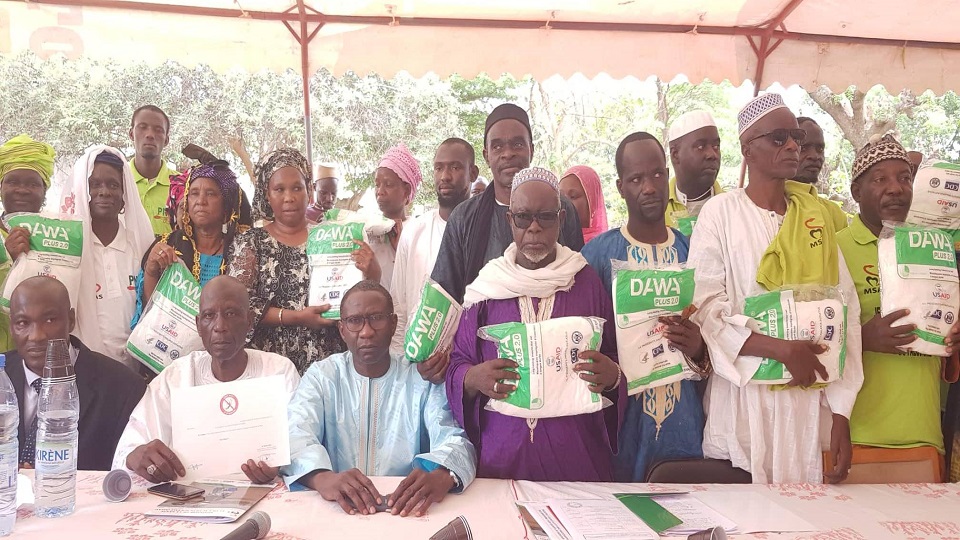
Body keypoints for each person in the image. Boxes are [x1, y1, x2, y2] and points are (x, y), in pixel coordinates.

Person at [687, 93, 864, 484]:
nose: (792, 147)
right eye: (778, 138)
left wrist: (841, 413)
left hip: (805, 403)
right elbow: (705, 309)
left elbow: (845, 311)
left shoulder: (814, 218)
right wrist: (781, 350)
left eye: (796, 137)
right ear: (748, 149)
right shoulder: (721, 214)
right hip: (743, 405)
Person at [447, 167, 622, 481]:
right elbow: (458, 363)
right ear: (509, 220)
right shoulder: (487, 286)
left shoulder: (585, 281)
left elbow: (614, 358)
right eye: (523, 217)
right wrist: (473, 377)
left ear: (562, 220)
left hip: (578, 460)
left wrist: (612, 376)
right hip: (502, 462)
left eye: (546, 217)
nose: (535, 228)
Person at [282, 281, 477, 517]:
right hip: (338, 509)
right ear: (342, 330)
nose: (366, 331)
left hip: (405, 508)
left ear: (394, 324)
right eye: (355, 321)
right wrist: (323, 478)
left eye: (377, 318)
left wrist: (442, 475)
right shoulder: (323, 376)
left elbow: (455, 439)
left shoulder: (420, 377)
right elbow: (295, 433)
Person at [581, 132, 706, 481]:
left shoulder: (693, 251)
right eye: (636, 179)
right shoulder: (597, 256)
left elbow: (715, 330)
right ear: (621, 187)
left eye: (655, 175)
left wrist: (698, 345)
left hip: (686, 418)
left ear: (667, 177)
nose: (648, 187)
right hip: (622, 422)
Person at [113, 276, 300, 483]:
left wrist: (280, 465)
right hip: (187, 500)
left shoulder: (278, 372)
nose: (220, 326)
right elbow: (130, 448)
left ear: (249, 322)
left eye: (230, 314)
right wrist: (136, 456)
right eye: (209, 316)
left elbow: (302, 446)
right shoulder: (175, 378)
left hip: (267, 499)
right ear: (198, 325)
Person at [838, 135, 946, 475]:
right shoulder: (834, 249)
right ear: (857, 192)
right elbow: (813, 338)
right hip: (857, 435)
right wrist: (862, 338)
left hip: (924, 433)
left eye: (903, 177)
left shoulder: (933, 247)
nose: (896, 188)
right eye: (880, 178)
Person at [228, 148, 378, 374]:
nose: (289, 197)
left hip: (328, 364)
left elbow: (362, 296)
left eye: (297, 188)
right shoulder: (251, 243)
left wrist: (372, 271)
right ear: (267, 195)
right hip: (271, 367)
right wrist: (297, 317)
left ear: (309, 190)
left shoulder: (331, 237)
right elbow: (238, 306)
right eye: (279, 189)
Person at [431, 104, 584, 304]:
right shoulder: (464, 217)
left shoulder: (560, 208)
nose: (508, 153)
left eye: (518, 144)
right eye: (497, 146)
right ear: (487, 156)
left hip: (554, 330)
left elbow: (578, 279)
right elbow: (444, 295)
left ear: (532, 150)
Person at [7, 276, 146, 470]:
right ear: (11, 327)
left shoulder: (123, 388)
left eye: (49, 320)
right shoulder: (2, 375)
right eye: (22, 323)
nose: (36, 335)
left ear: (71, 320)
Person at [52, 146, 154, 369]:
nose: (104, 191)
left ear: (124, 195)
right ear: (82, 192)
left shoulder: (141, 247)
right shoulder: (68, 248)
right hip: (83, 370)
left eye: (113, 185)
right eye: (95, 184)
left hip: (135, 372)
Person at [390, 138, 476, 382]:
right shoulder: (415, 231)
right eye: (439, 168)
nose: (445, 176)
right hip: (418, 368)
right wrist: (402, 370)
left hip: (469, 372)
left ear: (473, 172)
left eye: (455, 167)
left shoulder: (486, 231)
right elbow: (400, 305)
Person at [132, 160, 253, 327]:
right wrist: (151, 271)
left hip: (224, 347)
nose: (200, 201)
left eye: (211, 194)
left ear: (226, 206)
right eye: (194, 193)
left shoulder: (241, 251)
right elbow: (149, 311)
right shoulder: (167, 244)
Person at [0, 134, 56, 352]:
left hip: (45, 356)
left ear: (44, 191)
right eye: (13, 181)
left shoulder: (58, 234)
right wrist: (13, 263)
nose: (22, 190)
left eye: (32, 184)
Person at [369, 144, 422, 289]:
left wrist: (401, 250)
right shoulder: (367, 230)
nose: (380, 191)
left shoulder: (418, 231)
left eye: (388, 184)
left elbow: (423, 279)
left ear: (406, 191)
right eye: (377, 184)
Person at [664, 110, 723, 228]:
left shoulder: (732, 208)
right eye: (701, 147)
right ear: (675, 154)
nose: (712, 154)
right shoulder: (659, 210)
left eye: (716, 146)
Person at [129, 105, 176, 236]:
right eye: (142, 127)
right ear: (131, 134)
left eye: (158, 130)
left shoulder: (182, 186)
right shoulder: (117, 180)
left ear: (166, 140)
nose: (150, 135)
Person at [560, 165, 608, 243]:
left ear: (592, 203)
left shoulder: (602, 247)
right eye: (561, 196)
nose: (564, 203)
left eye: (573, 197)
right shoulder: (553, 243)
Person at [794, 117, 826, 185]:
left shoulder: (814, 195)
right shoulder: (770, 195)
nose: (815, 156)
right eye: (803, 148)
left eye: (820, 149)